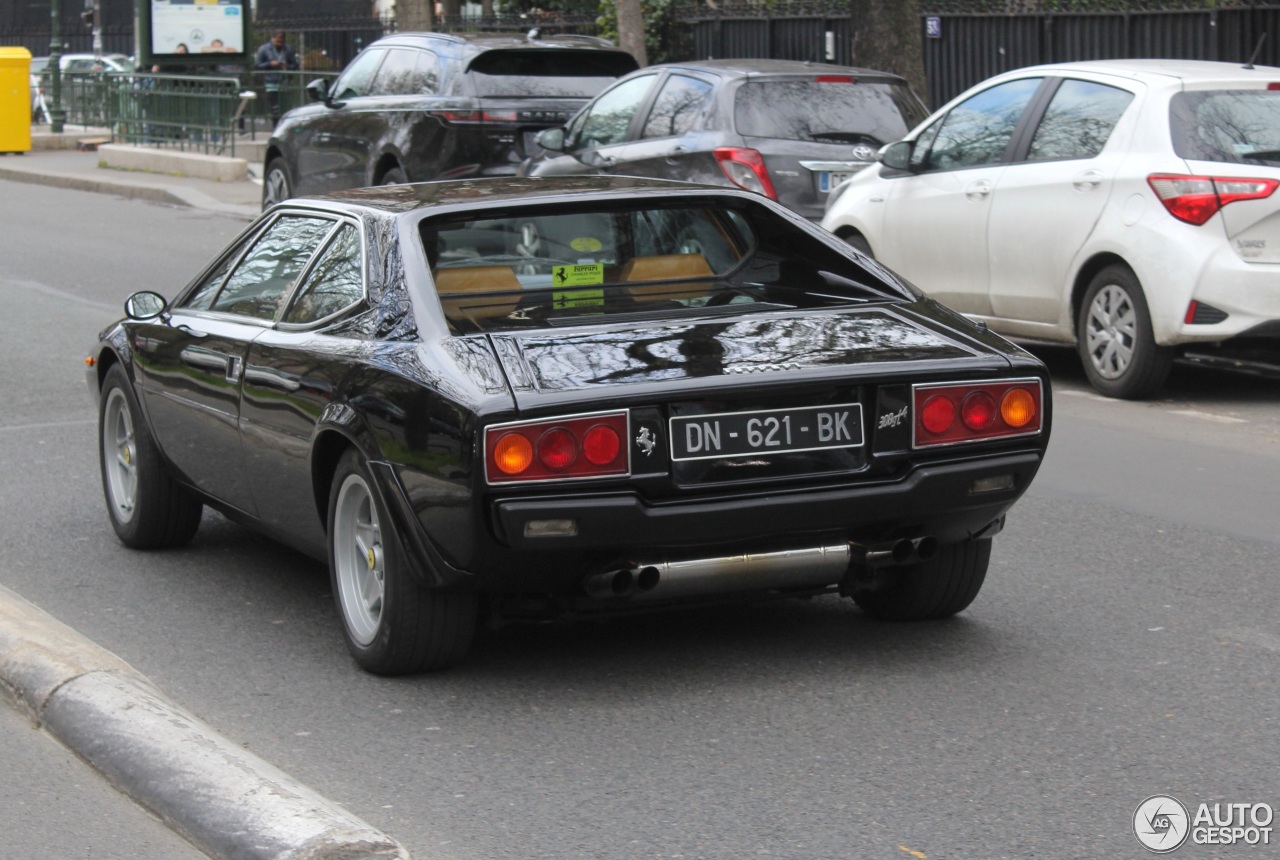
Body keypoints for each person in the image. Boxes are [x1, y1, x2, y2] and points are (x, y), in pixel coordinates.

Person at [254, 30, 298, 125]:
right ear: (273, 39)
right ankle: (275, 126)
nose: (280, 43)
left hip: (285, 82)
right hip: (271, 82)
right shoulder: (264, 49)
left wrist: (287, 66)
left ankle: (284, 125)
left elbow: (295, 65)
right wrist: (269, 64)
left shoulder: (288, 49)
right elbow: (257, 65)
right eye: (278, 41)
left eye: (282, 42)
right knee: (275, 107)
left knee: (285, 107)